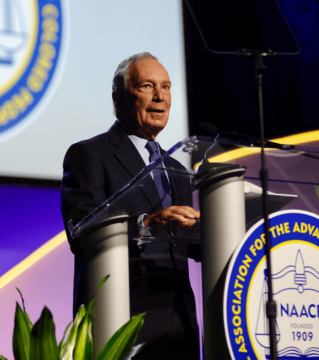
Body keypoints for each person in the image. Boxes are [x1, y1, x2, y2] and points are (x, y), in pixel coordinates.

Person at [61, 52, 200, 359]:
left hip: (180, 325)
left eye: (166, 87)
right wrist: (147, 224)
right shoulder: (89, 155)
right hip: (122, 322)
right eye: (147, 86)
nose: (160, 97)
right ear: (118, 97)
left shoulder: (176, 168)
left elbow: (191, 245)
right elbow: (82, 234)